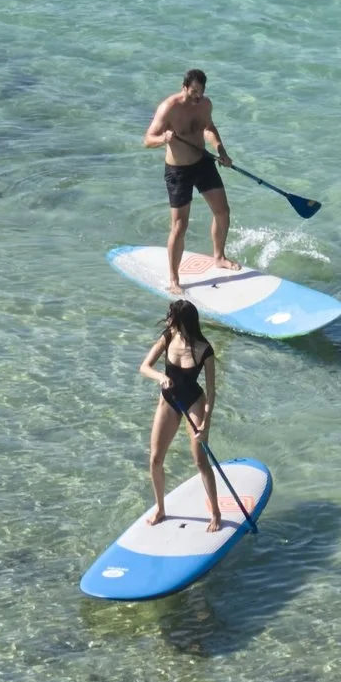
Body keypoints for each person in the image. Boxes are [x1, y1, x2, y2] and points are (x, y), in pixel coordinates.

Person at [144, 67, 232, 289]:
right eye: (193, 91)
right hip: (178, 172)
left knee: (222, 212)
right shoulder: (169, 108)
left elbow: (208, 127)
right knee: (179, 227)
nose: (197, 96)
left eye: (201, 92)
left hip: (203, 162)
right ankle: (174, 279)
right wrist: (163, 138)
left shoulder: (204, 104)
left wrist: (221, 150)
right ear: (184, 87)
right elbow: (148, 139)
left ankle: (219, 257)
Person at [140, 299, 224, 528]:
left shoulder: (204, 350)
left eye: (171, 316)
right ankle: (160, 508)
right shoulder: (168, 337)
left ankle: (215, 513)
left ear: (181, 321)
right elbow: (145, 366)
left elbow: (212, 391)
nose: (168, 320)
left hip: (193, 402)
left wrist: (205, 424)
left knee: (200, 460)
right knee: (155, 459)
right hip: (168, 401)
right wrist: (161, 377)